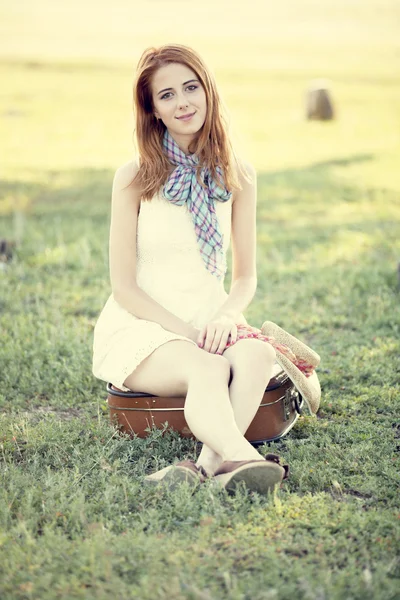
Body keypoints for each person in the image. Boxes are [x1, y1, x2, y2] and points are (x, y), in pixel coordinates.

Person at [92, 44, 289, 495]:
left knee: (258, 354)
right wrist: (185, 331)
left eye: (190, 87)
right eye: (166, 95)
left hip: (209, 319)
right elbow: (123, 286)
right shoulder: (134, 177)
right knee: (208, 369)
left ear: (208, 91)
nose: (182, 103)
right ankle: (246, 458)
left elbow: (244, 277)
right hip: (142, 326)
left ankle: (203, 469)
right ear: (153, 111)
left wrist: (224, 316)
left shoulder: (238, 174)